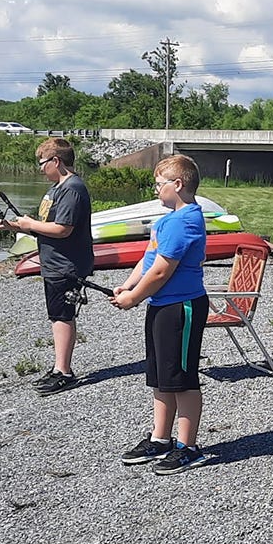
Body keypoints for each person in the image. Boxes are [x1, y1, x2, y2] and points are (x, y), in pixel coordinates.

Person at [111, 154, 212, 475]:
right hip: (160, 307)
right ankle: (160, 439)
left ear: (178, 185)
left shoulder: (187, 221)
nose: (156, 190)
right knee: (161, 378)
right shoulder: (167, 220)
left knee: (182, 379)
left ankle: (188, 447)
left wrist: (135, 299)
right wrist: (127, 286)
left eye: (159, 184)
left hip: (180, 308)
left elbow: (162, 272)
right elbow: (148, 260)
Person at [0, 137, 93, 395]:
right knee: (57, 314)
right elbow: (47, 227)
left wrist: (29, 225)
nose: (40, 168)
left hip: (66, 265)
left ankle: (65, 372)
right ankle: (59, 367)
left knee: (63, 315)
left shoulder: (72, 189)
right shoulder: (56, 188)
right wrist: (15, 226)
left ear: (56, 161)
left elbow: (62, 229)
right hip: (54, 264)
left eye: (42, 163)